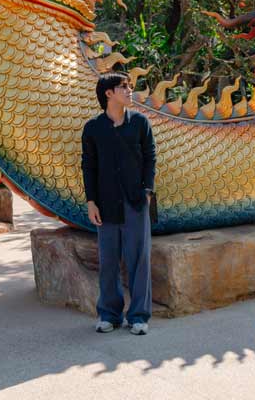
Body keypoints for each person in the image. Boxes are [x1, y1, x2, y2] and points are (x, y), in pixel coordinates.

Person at [81, 72, 156, 335]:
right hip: (105, 203)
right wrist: (91, 202)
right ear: (109, 93)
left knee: (139, 260)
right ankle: (109, 314)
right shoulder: (93, 128)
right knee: (109, 260)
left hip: (136, 201)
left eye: (130, 86)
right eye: (123, 87)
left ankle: (138, 316)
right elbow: (88, 166)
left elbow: (150, 157)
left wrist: (147, 191)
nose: (129, 90)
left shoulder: (140, 123)